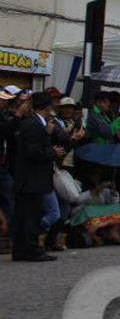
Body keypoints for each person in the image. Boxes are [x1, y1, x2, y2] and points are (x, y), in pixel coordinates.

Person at [10, 92, 65, 261]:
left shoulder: (38, 124)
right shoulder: (32, 124)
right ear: (47, 106)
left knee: (26, 215)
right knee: (30, 216)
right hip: (31, 179)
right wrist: (52, 152)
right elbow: (32, 151)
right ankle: (30, 249)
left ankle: (21, 249)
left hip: (32, 178)